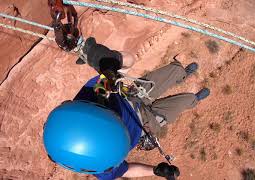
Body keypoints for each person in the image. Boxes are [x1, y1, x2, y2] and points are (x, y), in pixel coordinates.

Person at [43, 37, 210, 180]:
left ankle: (180, 74)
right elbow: (126, 170)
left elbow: (126, 63)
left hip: (133, 97)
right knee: (179, 104)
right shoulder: (101, 163)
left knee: (169, 73)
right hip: (145, 122)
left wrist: (107, 59)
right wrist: (155, 171)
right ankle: (193, 99)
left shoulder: (95, 94)